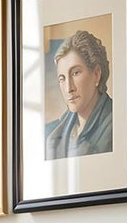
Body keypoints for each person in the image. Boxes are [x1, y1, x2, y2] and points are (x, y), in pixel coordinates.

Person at [45, 30, 113, 160]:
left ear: (96, 74)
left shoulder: (117, 123)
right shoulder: (52, 133)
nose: (69, 88)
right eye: (62, 78)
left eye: (75, 73)